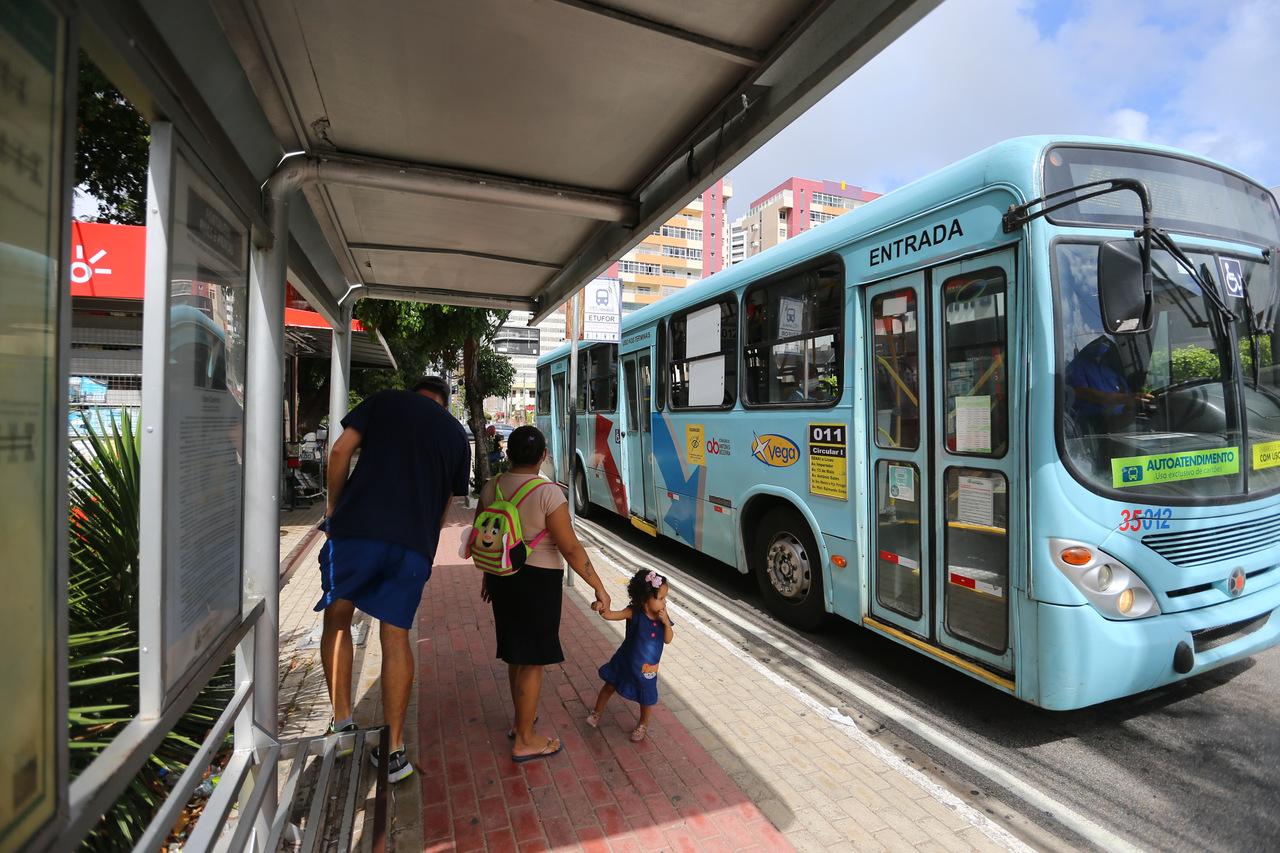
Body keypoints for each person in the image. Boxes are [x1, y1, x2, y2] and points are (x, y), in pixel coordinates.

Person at [316, 375, 469, 782]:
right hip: (413, 546)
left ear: (414, 393)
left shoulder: (385, 401)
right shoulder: (456, 435)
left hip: (357, 532)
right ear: (444, 401)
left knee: (338, 618)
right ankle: (395, 752)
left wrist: (334, 510)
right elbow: (444, 505)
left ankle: (343, 725)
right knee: (396, 636)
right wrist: (425, 547)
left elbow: (339, 451)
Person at [477, 426, 611, 762]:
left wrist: (487, 577)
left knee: (514, 652)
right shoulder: (549, 493)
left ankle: (520, 720)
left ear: (508, 455)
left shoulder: (492, 487)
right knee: (533, 659)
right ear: (542, 457)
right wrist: (597, 584)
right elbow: (570, 547)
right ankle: (525, 739)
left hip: (502, 577)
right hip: (537, 582)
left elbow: (485, 537)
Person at [587, 570, 675, 742]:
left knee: (646, 697)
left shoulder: (662, 617)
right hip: (625, 661)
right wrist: (599, 606)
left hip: (647, 668)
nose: (664, 603)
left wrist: (666, 623)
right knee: (609, 685)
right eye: (660, 598)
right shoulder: (633, 612)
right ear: (644, 600)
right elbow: (610, 615)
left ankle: (643, 724)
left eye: (665, 598)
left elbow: (668, 639)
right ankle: (596, 712)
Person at [1065, 336, 1152, 435]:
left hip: (1122, 421)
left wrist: (1133, 403)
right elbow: (1082, 392)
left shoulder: (1109, 369)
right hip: (1094, 424)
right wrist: (1127, 399)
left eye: (1105, 340)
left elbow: (1127, 395)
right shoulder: (1078, 364)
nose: (1104, 342)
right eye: (1099, 339)